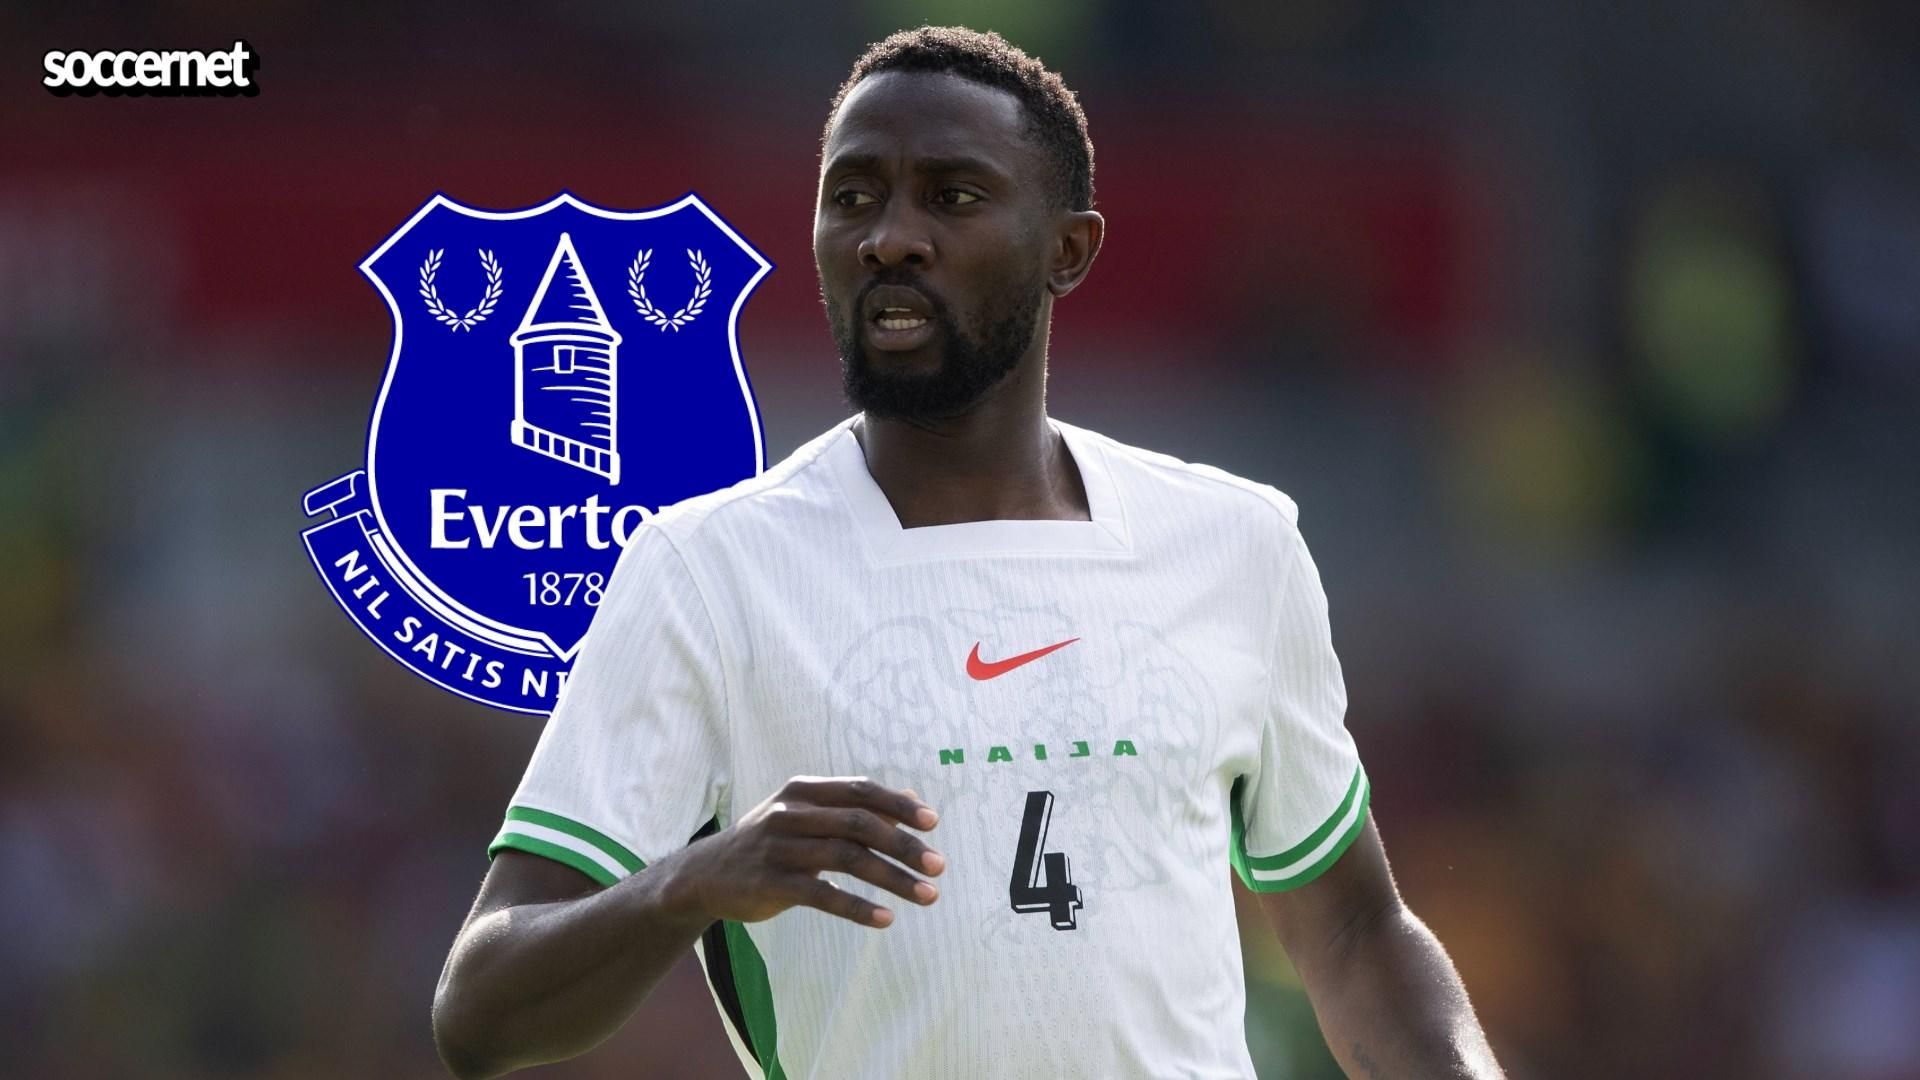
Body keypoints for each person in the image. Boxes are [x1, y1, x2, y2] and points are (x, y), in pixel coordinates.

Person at [432, 26, 1505, 1080]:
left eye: (950, 196)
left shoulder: (1235, 545)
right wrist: (689, 882)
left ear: (1067, 251)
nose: (889, 238)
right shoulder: (707, 571)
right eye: (854, 197)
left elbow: (1353, 931)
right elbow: (478, 1013)